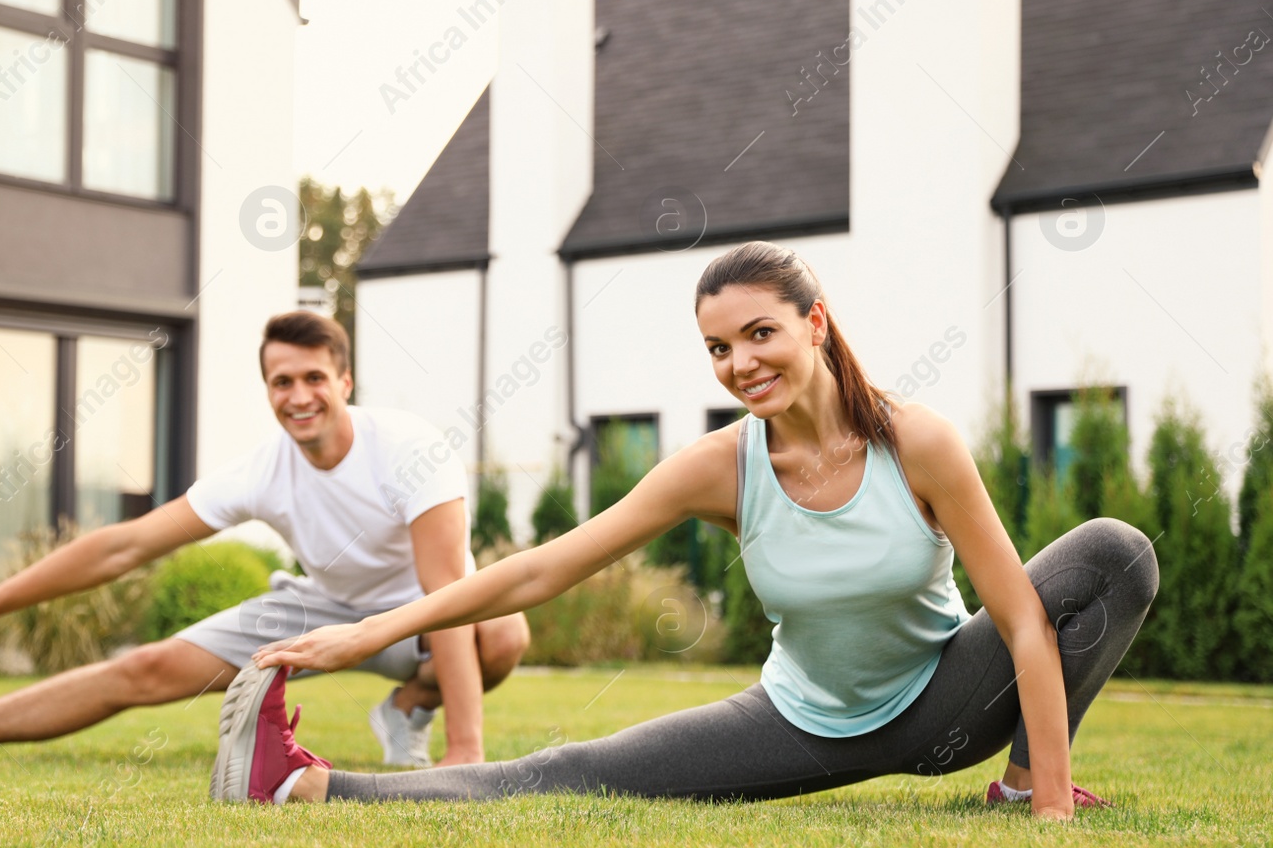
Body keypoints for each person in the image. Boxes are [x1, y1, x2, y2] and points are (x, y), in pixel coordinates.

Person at [210, 242, 1158, 819]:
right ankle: (305, 787)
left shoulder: (919, 444)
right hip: (798, 720)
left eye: (759, 334)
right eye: (717, 347)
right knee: (569, 772)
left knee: (1111, 552)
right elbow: (545, 568)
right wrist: (371, 632)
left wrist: (1046, 800)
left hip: (945, 700)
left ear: (815, 323)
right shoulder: (723, 465)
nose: (739, 364)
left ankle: (1019, 786)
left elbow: (1026, 622)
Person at [0, 311, 530, 769]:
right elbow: (125, 546)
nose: (299, 395)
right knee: (144, 668)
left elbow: (449, 591)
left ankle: (408, 709)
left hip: (421, 612)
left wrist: (463, 752)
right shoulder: (264, 471)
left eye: (314, 378)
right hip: (318, 607)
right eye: (282, 381)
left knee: (502, 632)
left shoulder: (411, 448)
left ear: (345, 382)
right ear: (268, 389)